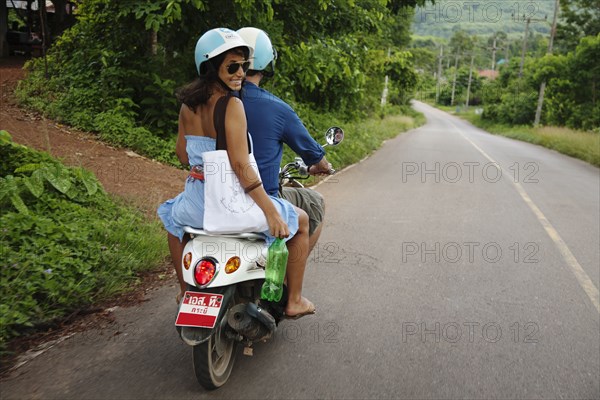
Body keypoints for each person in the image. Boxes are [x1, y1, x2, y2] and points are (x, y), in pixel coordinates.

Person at [157, 28, 315, 319]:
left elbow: (181, 154)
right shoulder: (232, 105)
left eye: (243, 65)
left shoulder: (187, 105)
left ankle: (184, 291)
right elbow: (242, 167)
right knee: (301, 220)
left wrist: (204, 165)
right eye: (233, 66)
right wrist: (271, 212)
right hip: (228, 205)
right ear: (210, 67)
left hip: (196, 203)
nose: (241, 72)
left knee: (172, 220)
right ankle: (293, 300)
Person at [236, 27, 333, 253]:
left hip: (218, 197)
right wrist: (322, 167)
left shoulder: (212, 102)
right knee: (314, 202)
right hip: (264, 197)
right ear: (267, 61)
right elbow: (316, 156)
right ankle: (291, 284)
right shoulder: (277, 108)